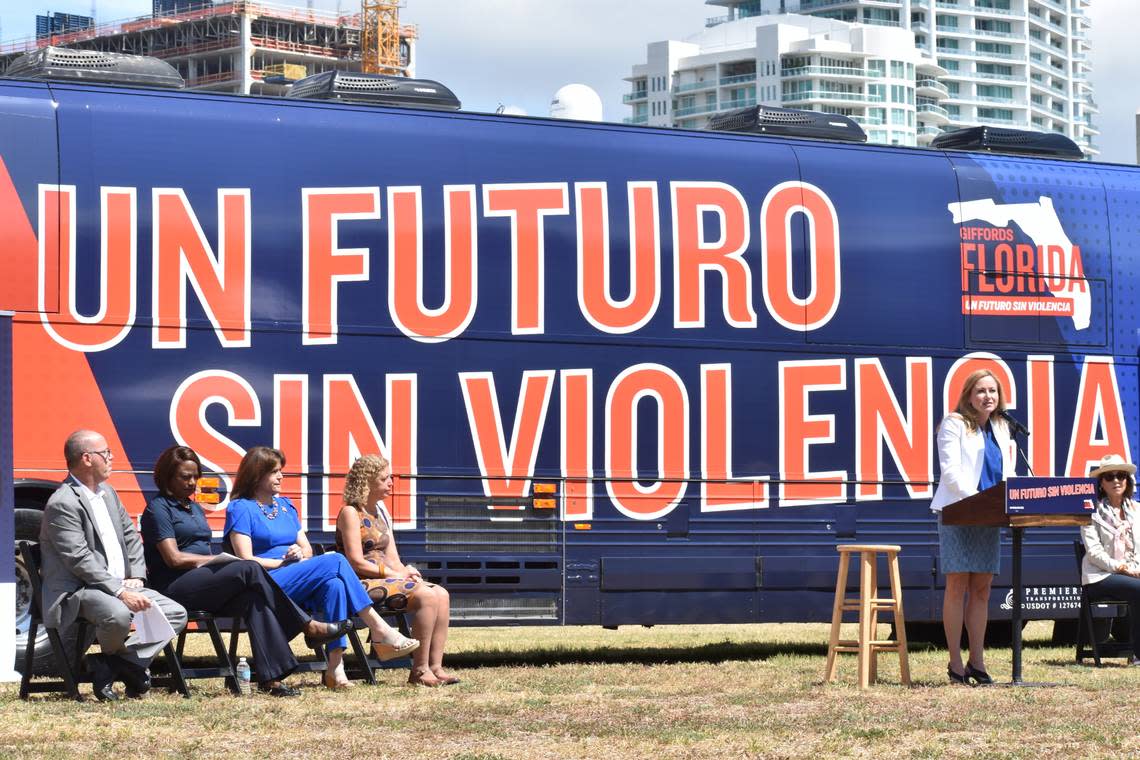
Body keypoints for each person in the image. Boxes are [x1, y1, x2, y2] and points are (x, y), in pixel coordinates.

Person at [141, 444, 353, 697]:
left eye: (195, 476)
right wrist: (212, 561)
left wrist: (215, 562)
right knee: (249, 567)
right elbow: (173, 558)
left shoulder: (194, 508)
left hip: (202, 583)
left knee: (254, 600)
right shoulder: (158, 509)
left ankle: (271, 678)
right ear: (166, 477)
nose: (191, 482)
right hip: (174, 587)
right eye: (184, 477)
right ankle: (306, 625)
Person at [223, 446, 419, 689]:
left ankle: (335, 670)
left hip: (294, 577)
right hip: (264, 582)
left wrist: (299, 553)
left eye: (280, 471)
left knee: (334, 585)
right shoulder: (241, 508)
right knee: (336, 560)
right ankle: (379, 629)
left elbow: (306, 548)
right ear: (257, 475)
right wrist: (283, 562)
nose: (281, 477)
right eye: (274, 472)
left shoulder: (285, 506)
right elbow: (246, 559)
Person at [38, 430, 188, 701]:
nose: (111, 458)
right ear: (86, 458)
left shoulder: (108, 493)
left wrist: (138, 577)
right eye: (105, 453)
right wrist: (120, 592)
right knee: (118, 614)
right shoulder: (63, 502)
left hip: (120, 585)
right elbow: (79, 558)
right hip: (80, 589)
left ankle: (111, 664)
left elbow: (131, 536)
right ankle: (124, 666)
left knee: (175, 613)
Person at [337, 455, 459, 686]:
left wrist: (406, 571)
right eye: (384, 479)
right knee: (425, 596)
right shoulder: (350, 513)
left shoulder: (381, 512)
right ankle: (419, 671)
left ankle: (435, 667)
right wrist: (394, 574)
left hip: (387, 578)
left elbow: (393, 558)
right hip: (361, 582)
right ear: (367, 482)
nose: (391, 482)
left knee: (441, 594)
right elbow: (355, 562)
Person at [929, 369, 1015, 685]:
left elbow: (1007, 471)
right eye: (980, 391)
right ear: (968, 394)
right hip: (958, 513)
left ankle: (977, 661)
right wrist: (977, 502)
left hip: (990, 516)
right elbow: (950, 472)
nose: (987, 396)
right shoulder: (954, 424)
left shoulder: (1003, 427)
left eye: (992, 391)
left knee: (981, 590)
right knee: (957, 586)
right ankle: (955, 664)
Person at [1080, 453, 1140, 664]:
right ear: (1101, 483)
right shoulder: (1091, 512)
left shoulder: (1137, 510)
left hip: (1134, 574)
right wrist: (1123, 568)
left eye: (1121, 476)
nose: (1116, 481)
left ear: (1127, 480)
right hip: (1100, 577)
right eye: (1109, 477)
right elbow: (1095, 554)